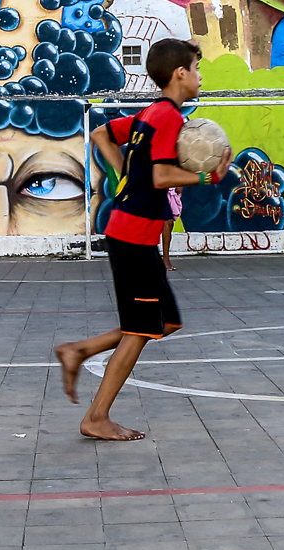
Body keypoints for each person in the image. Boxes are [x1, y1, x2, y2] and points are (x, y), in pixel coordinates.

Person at [56, 39, 230, 442]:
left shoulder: (149, 114)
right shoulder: (166, 115)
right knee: (139, 331)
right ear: (180, 74)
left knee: (165, 322)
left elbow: (101, 133)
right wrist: (209, 176)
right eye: (197, 69)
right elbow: (161, 176)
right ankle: (96, 417)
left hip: (133, 232)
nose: (200, 76)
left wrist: (125, 176)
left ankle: (80, 350)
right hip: (132, 235)